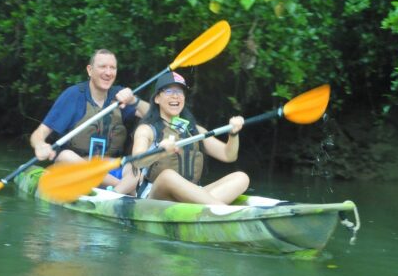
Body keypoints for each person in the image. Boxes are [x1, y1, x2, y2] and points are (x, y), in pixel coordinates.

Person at [30, 49, 149, 194]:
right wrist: (40, 145)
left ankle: (117, 191)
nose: (108, 72)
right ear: (90, 70)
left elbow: (154, 116)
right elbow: (39, 133)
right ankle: (121, 190)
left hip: (109, 166)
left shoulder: (120, 96)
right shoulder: (73, 96)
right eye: (102, 67)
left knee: (134, 166)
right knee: (65, 156)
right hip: (77, 170)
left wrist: (134, 100)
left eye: (112, 68)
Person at [132, 71, 250, 204]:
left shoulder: (195, 130)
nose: (176, 96)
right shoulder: (147, 129)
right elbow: (137, 161)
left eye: (180, 92)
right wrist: (159, 151)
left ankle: (205, 208)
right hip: (156, 197)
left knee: (241, 178)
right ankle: (221, 210)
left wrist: (233, 134)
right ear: (157, 98)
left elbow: (228, 155)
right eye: (169, 91)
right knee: (168, 176)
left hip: (193, 195)